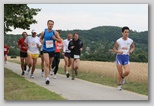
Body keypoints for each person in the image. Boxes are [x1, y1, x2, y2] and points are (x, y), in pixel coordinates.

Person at [40, 20, 62, 84]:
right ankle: (47, 78)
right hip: (45, 49)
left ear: (53, 25)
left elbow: (60, 40)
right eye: (49, 24)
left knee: (49, 64)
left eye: (52, 24)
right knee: (46, 63)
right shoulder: (44, 32)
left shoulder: (54, 32)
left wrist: (55, 39)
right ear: (47, 24)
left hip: (52, 50)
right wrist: (42, 42)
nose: (50, 25)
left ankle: (48, 74)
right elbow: (41, 38)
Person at [113, 26, 135, 91]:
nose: (126, 34)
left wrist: (131, 50)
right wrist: (118, 51)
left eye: (128, 32)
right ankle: (119, 86)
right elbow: (114, 49)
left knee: (127, 71)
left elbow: (133, 47)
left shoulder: (130, 41)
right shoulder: (119, 41)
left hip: (126, 57)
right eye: (125, 32)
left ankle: (122, 77)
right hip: (119, 57)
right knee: (120, 72)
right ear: (122, 33)